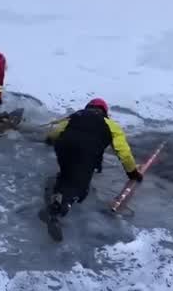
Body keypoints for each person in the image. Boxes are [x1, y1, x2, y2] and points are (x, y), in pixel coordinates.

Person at [40, 97, 143, 240]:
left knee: (66, 174)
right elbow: (123, 152)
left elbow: (55, 133)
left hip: (64, 148)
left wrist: (48, 140)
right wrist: (132, 172)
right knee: (80, 188)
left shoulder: (76, 116)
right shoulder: (111, 125)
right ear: (104, 111)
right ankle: (56, 212)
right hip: (86, 153)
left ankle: (57, 196)